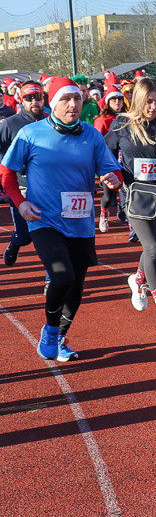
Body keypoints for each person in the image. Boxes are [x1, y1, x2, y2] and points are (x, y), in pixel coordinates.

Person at [0, 77, 123, 361]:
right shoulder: (31, 133)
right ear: (53, 103)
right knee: (61, 275)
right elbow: (6, 174)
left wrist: (113, 179)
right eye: (66, 99)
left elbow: (112, 171)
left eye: (77, 99)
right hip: (43, 219)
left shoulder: (91, 135)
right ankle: (51, 330)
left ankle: (60, 335)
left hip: (80, 221)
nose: (73, 104)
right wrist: (20, 203)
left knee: (76, 285)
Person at [105, 77, 156, 327]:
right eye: (148, 102)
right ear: (138, 101)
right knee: (152, 247)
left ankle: (138, 278)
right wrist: (113, 174)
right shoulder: (123, 124)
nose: (153, 106)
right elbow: (105, 150)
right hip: (134, 197)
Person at [0, 80, 48, 266]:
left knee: (49, 233)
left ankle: (50, 277)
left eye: (37, 97)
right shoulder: (11, 123)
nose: (34, 102)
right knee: (25, 235)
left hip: (48, 186)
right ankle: (15, 243)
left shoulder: (51, 121)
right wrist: (6, 165)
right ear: (21, 99)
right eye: (29, 98)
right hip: (20, 186)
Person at [93, 85, 127, 233]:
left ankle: (126, 215)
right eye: (114, 99)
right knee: (108, 195)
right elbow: (97, 142)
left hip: (126, 161)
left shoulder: (128, 118)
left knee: (128, 193)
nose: (118, 102)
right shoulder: (102, 120)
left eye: (120, 99)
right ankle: (104, 214)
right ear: (108, 101)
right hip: (110, 163)